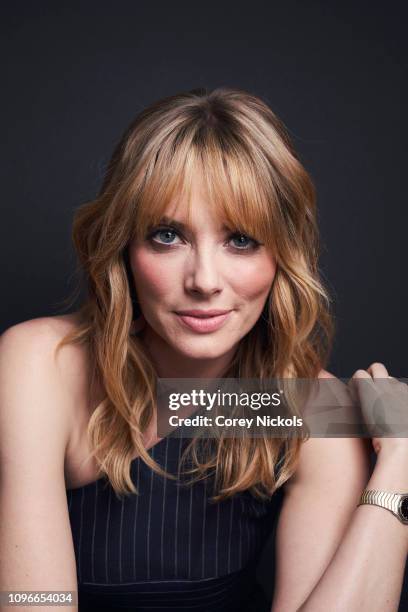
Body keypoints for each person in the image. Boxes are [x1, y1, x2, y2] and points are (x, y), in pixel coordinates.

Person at [0, 87, 407, 612]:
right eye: (168, 236)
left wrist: (398, 466)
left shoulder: (307, 409)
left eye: (241, 239)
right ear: (124, 245)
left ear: (282, 255)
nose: (204, 281)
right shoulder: (40, 365)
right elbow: (35, 602)